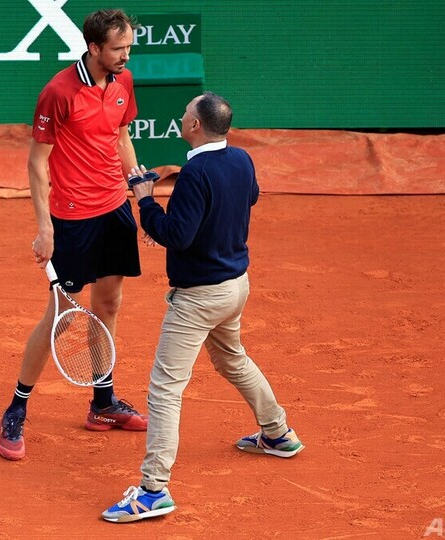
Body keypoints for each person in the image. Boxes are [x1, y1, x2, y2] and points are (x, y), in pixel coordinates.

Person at [101, 92, 304, 523]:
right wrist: (185, 225)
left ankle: (153, 490)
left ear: (195, 126)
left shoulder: (195, 172)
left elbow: (178, 234)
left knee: (164, 389)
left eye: (185, 114)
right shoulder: (242, 159)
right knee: (233, 359)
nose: (180, 117)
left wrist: (145, 198)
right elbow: (244, 201)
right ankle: (277, 433)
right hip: (235, 286)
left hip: (198, 298)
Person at [0, 9, 148, 461]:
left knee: (109, 305)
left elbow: (121, 139)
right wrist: (45, 227)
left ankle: (102, 403)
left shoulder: (124, 81)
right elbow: (36, 163)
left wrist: (139, 198)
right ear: (94, 48)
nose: (125, 56)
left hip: (115, 209)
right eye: (118, 49)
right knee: (59, 317)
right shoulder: (58, 92)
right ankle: (16, 408)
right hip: (73, 218)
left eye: (128, 48)